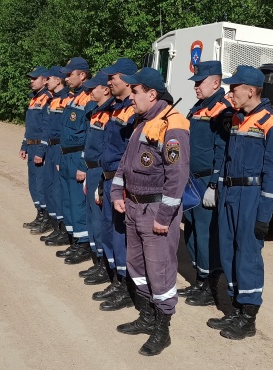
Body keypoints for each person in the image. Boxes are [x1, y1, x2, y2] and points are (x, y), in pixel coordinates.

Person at [110, 67, 190, 356]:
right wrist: (116, 192)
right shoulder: (143, 121)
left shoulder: (172, 124)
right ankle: (146, 317)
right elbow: (126, 162)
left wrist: (164, 217)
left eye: (135, 91)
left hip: (155, 209)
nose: (130, 97)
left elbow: (177, 176)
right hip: (133, 206)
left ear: (152, 94)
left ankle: (162, 328)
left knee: (160, 269)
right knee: (138, 266)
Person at [207, 65, 273, 340]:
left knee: (248, 254)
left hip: (251, 196)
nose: (230, 92)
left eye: (234, 88)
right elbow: (227, 158)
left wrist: (264, 214)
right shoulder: (237, 118)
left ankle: (248, 317)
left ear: (251, 91)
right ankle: (235, 308)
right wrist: (219, 189)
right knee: (227, 250)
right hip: (230, 193)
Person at [179, 61, 233, 307]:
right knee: (191, 231)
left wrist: (214, 185)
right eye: (195, 82)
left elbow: (222, 151)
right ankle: (200, 280)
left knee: (206, 235)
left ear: (216, 82)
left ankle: (211, 287)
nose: (196, 87)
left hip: (205, 181)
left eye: (200, 82)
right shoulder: (199, 107)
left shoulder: (222, 110)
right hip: (190, 179)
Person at [94, 58, 138, 311]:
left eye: (113, 77)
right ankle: (116, 278)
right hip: (109, 177)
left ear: (127, 80)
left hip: (122, 182)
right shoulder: (116, 108)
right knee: (110, 231)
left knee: (122, 236)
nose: (109, 81)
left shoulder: (133, 110)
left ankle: (126, 285)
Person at [76, 71, 114, 282]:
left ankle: (104, 265)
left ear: (106, 90)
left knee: (100, 221)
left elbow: (106, 148)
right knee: (91, 218)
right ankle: (97, 260)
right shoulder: (96, 112)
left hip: (100, 170)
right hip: (91, 170)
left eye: (93, 88)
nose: (89, 91)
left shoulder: (109, 114)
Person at [54, 57, 94, 264]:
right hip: (66, 155)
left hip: (77, 156)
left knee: (78, 202)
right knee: (68, 200)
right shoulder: (73, 98)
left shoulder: (89, 99)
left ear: (82, 75)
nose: (67, 78)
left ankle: (84, 244)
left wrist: (82, 164)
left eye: (70, 74)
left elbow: (89, 136)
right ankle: (74, 240)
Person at [38, 66, 72, 245]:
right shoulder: (52, 100)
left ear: (58, 80)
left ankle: (64, 230)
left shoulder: (67, 99)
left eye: (49, 79)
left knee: (59, 191)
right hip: (51, 148)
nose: (46, 82)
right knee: (49, 188)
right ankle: (56, 227)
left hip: (59, 147)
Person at [21, 66, 52, 233]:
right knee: (33, 184)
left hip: (40, 147)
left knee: (41, 185)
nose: (31, 81)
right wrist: (24, 145)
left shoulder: (47, 99)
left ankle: (46, 218)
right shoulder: (34, 98)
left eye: (35, 78)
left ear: (45, 80)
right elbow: (30, 126)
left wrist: (41, 151)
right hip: (31, 146)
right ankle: (39, 215)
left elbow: (47, 128)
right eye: (31, 78)